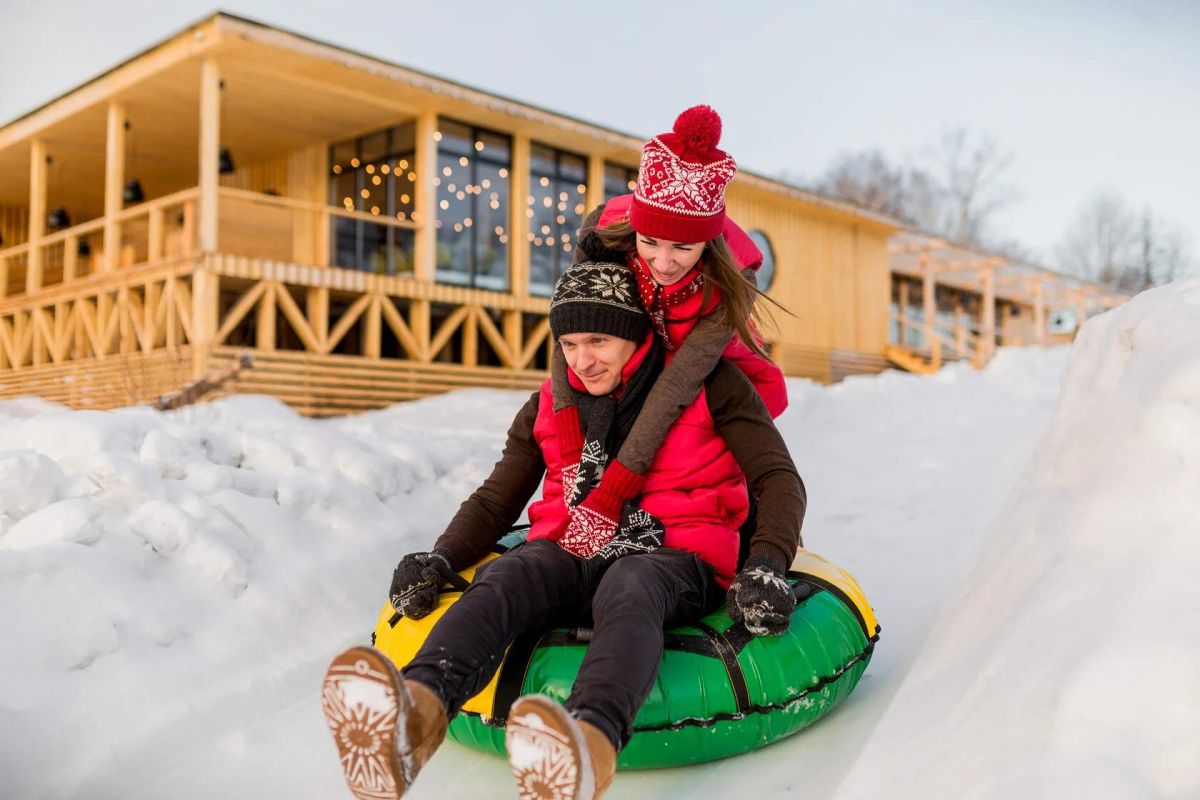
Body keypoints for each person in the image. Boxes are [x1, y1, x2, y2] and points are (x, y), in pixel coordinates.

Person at [322, 261, 806, 800]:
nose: (582, 361)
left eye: (598, 341)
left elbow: (777, 479)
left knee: (631, 583)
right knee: (512, 574)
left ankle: (588, 746)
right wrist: (442, 557)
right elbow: (496, 499)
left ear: (636, 333)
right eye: (569, 344)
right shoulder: (551, 402)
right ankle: (413, 720)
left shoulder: (712, 386)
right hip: (572, 545)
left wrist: (766, 564)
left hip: (674, 554)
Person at [547, 104, 789, 555]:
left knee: (699, 447)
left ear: (707, 242)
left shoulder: (727, 286)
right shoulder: (602, 238)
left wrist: (612, 493)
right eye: (650, 242)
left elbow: (676, 386)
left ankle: (745, 528)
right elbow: (570, 326)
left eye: (682, 247)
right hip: (635, 358)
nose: (663, 262)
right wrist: (570, 451)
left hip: (706, 371)